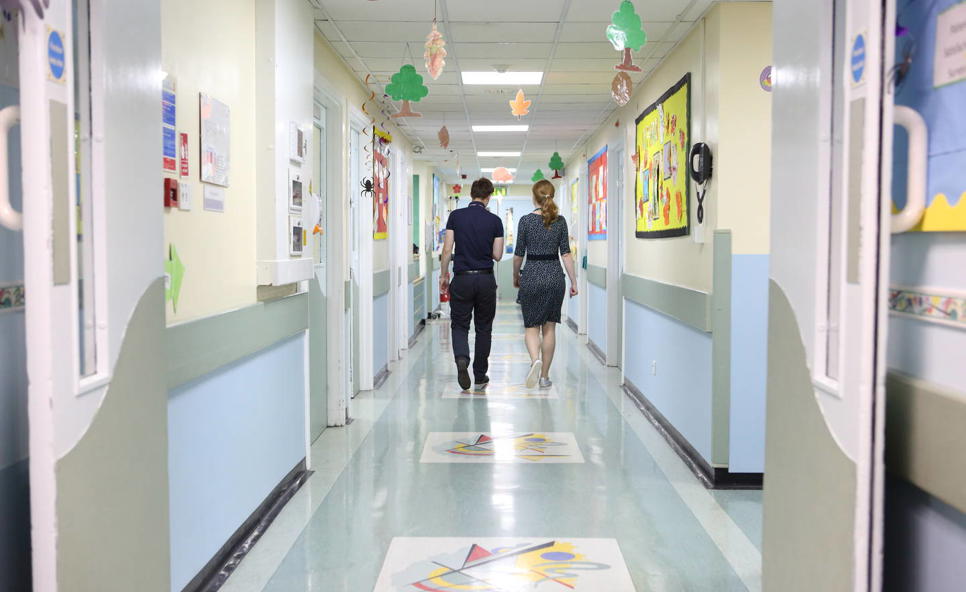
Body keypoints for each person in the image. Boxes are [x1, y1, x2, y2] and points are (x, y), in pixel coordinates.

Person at [439, 178, 505, 391]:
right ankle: (479, 375)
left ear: (471, 194)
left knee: (459, 324)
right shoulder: (495, 221)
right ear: (488, 197)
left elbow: (447, 250)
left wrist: (443, 275)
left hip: (462, 277)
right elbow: (497, 255)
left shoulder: (455, 216)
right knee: (484, 328)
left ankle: (461, 358)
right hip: (485, 279)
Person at [512, 179, 578, 388]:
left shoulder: (525, 221)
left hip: (531, 274)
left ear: (534, 197)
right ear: (552, 196)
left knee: (531, 327)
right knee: (549, 328)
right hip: (554, 277)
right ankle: (545, 376)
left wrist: (516, 276)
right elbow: (566, 253)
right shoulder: (560, 221)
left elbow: (518, 255)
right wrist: (574, 281)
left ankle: (535, 361)